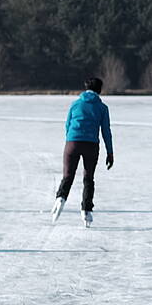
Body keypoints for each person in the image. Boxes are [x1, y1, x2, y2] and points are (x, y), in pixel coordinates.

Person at [52, 77, 114, 227]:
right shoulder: (102, 108)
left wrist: (71, 141)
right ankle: (86, 211)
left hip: (72, 142)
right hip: (91, 145)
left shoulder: (75, 104)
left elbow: (67, 125)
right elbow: (106, 131)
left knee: (68, 176)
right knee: (88, 178)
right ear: (99, 90)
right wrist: (110, 152)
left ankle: (60, 198)